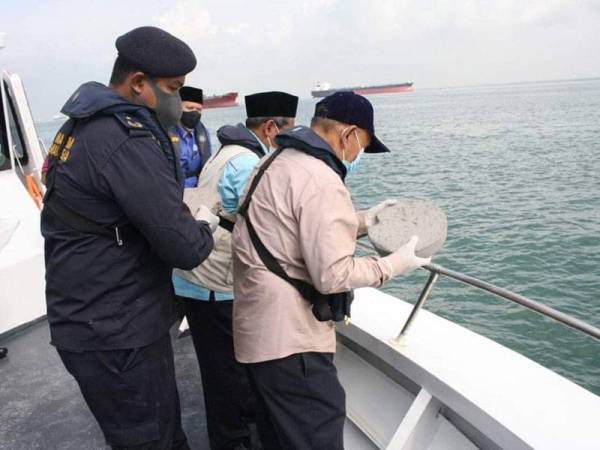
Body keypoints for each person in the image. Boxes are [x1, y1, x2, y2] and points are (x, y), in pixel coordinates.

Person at [41, 26, 219, 450]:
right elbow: (184, 247)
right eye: (174, 88)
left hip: (92, 315)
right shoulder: (125, 137)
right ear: (138, 83)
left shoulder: (81, 125)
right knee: (151, 439)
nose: (178, 100)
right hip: (116, 329)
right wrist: (205, 224)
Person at [231, 91, 431, 449]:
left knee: (278, 439)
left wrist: (363, 221)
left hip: (258, 333)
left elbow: (290, 228)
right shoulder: (322, 178)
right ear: (349, 134)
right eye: (363, 146)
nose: (358, 156)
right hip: (291, 345)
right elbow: (333, 275)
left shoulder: (275, 161)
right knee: (316, 436)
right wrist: (393, 264)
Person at [172, 91, 298, 450]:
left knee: (223, 372)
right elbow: (268, 223)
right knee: (227, 376)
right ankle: (233, 442)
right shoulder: (247, 163)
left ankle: (236, 436)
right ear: (272, 128)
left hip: (200, 277)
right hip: (214, 283)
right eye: (289, 131)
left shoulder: (228, 151)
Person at [176, 86, 212, 187]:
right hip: (173, 190)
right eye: (189, 108)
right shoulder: (166, 132)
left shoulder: (203, 133)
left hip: (197, 190)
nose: (195, 112)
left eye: (199, 109)